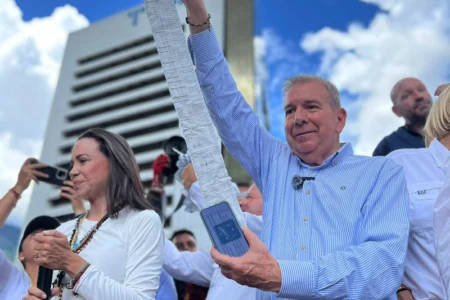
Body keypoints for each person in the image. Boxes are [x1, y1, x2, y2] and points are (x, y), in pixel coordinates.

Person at [175, 1, 410, 299]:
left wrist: (282, 276)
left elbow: (381, 264)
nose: (298, 118)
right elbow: (225, 102)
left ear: (340, 119)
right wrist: (197, 14)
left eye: (311, 106)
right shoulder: (274, 162)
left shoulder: (382, 173)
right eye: (289, 110)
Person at [24, 128, 164, 300]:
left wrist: (70, 262)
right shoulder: (63, 230)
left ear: (114, 163)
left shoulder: (142, 220)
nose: (73, 172)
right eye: (72, 165)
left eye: (82, 161)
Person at [163, 164, 263, 299]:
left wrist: (195, 183)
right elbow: (177, 262)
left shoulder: (267, 229)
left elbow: (225, 218)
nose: (241, 202)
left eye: (248, 197)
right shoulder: (223, 255)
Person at [388, 83, 450, 300]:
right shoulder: (398, 163)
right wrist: (398, 289)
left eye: (420, 90)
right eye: (407, 95)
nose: (417, 97)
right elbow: (370, 237)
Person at [0, 158, 78, 299]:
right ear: (21, 255)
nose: (43, 235)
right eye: (34, 234)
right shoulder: (10, 279)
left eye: (51, 234)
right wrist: (18, 188)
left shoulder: (75, 288)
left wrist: (80, 208)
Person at [373, 78, 432, 156]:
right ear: (397, 111)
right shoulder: (387, 147)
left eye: (421, 89)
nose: (419, 96)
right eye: (406, 95)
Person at [170, 229, 208, 300]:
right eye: (179, 246)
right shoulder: (165, 282)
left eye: (191, 244)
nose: (186, 248)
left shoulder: (211, 278)